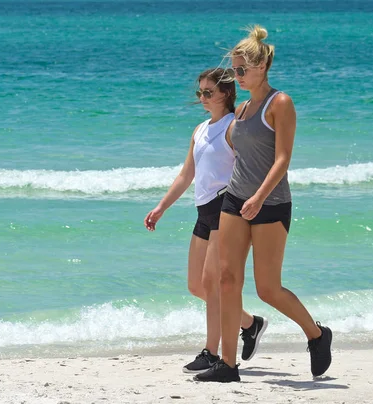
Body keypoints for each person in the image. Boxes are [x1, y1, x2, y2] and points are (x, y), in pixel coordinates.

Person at [194, 26, 332, 383]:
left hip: (270, 204)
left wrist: (259, 197)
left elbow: (282, 159)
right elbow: (234, 157)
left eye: (241, 70)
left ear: (262, 67)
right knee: (227, 280)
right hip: (235, 201)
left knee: (267, 288)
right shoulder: (239, 110)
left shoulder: (280, 103)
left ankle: (317, 334)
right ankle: (227, 365)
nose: (236, 76)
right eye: (234, 70)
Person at [144, 68, 268, 374]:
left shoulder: (232, 127)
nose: (203, 97)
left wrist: (255, 202)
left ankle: (212, 353)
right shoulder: (199, 130)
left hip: (226, 208)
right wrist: (162, 207)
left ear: (225, 93)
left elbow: (252, 166)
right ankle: (250, 324)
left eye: (208, 92)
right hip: (203, 211)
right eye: (200, 92)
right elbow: (187, 174)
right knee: (196, 285)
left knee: (213, 285)